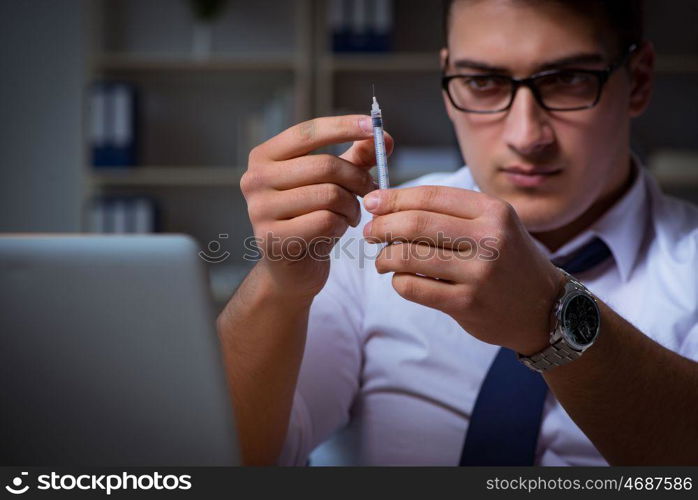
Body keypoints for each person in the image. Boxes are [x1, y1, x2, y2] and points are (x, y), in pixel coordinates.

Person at [216, 0, 698, 466]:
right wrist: (279, 287)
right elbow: (227, 461)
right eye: (483, 82)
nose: (526, 136)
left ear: (637, 80)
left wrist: (549, 315)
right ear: (449, 84)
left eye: (568, 80)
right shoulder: (362, 234)